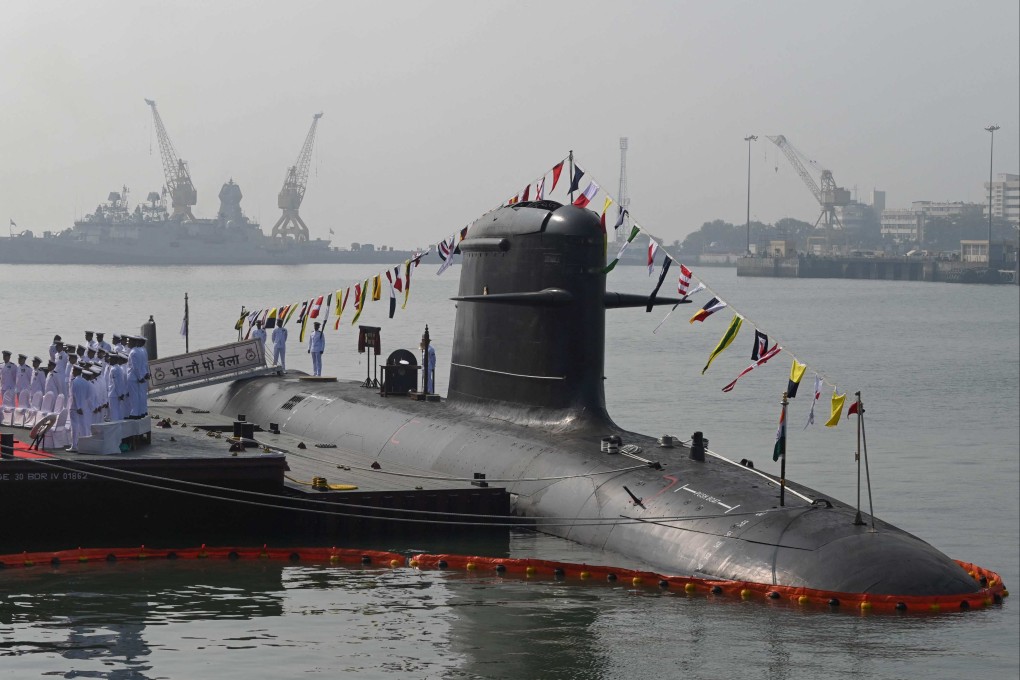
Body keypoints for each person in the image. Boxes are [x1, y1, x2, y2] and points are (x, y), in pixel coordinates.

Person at [68, 365, 93, 452]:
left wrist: (78, 406)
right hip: (83, 407)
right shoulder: (86, 382)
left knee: (74, 427)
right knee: (83, 426)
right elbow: (88, 396)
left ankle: (74, 446)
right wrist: (82, 405)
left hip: (75, 407)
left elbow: (75, 395)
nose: (72, 372)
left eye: (74, 370)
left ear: (77, 371)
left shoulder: (75, 381)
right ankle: (85, 445)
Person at [126, 336, 150, 419]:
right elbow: (144, 364)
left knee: (134, 396)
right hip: (140, 376)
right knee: (140, 395)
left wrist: (139, 377)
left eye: (129, 341)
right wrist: (145, 374)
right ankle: (141, 411)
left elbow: (135, 367)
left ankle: (135, 413)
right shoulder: (141, 351)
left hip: (133, 377)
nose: (128, 343)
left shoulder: (133, 352)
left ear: (134, 342)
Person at [107, 354, 128, 421]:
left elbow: (116, 383)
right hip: (118, 393)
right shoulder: (119, 368)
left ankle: (116, 426)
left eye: (110, 358)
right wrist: (121, 393)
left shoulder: (114, 369)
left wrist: (119, 394)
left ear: (114, 360)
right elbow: (121, 382)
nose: (109, 360)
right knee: (118, 411)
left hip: (114, 394)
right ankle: (120, 426)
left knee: (114, 413)